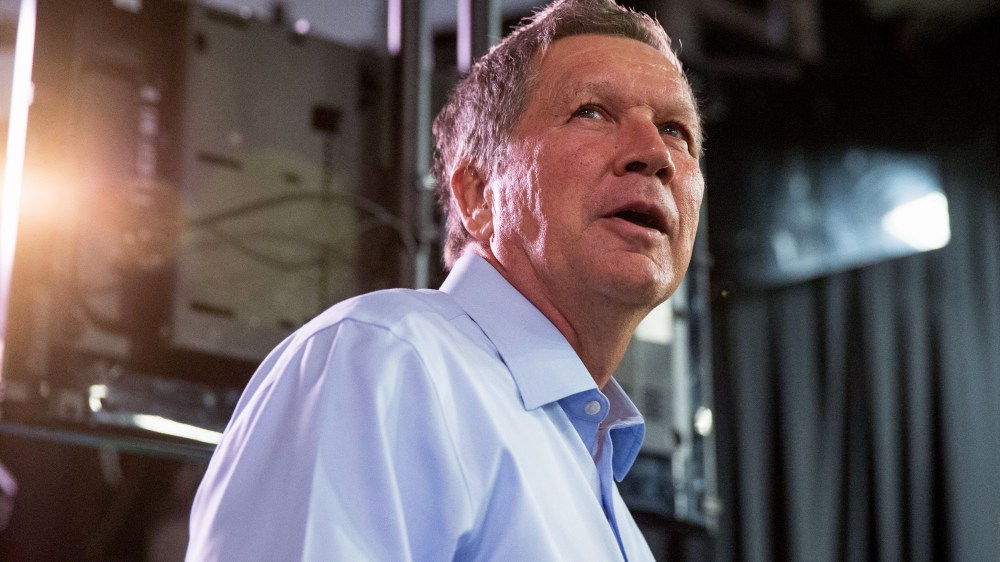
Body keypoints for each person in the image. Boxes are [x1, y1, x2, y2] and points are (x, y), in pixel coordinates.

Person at [185, 0, 704, 559]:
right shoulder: (387, 362)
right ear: (480, 195)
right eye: (593, 112)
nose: (655, 155)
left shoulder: (603, 500)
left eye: (675, 129)